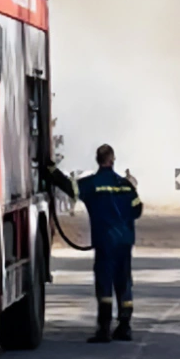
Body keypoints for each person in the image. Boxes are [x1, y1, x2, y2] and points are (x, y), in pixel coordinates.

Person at [45, 144, 143, 343]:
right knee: (124, 282)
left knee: (105, 282)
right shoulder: (126, 185)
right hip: (124, 241)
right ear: (112, 160)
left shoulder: (92, 184)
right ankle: (125, 326)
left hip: (105, 241)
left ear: (98, 160)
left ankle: (104, 329)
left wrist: (51, 171)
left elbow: (69, 187)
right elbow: (138, 210)